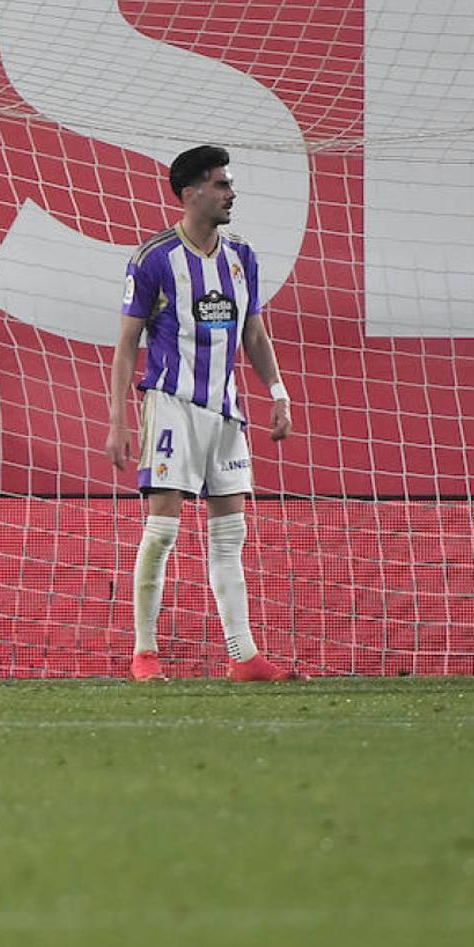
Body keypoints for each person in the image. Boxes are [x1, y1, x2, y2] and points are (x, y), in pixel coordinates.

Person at [104, 145, 300, 683]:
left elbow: (254, 332)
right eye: (220, 184)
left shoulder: (243, 256)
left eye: (229, 184)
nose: (230, 193)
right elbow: (126, 344)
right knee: (163, 532)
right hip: (171, 407)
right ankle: (145, 654)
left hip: (226, 413)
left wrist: (277, 392)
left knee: (230, 536)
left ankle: (243, 656)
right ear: (191, 194)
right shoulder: (153, 259)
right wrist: (120, 420)